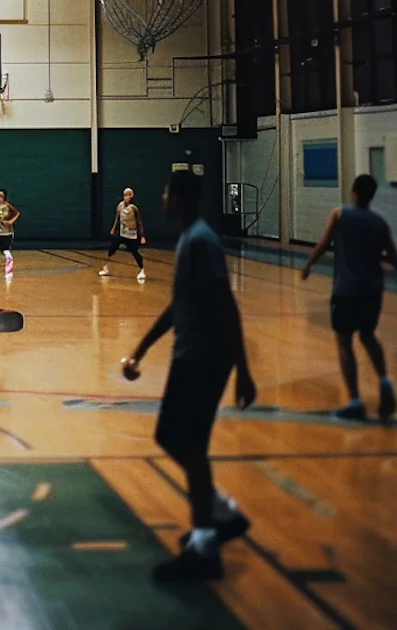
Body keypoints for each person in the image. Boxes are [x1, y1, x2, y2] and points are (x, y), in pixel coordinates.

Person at [122, 169, 255, 582]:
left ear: (177, 198)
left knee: (191, 445)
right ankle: (220, 515)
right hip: (191, 354)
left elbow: (226, 305)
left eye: (165, 191)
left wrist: (244, 369)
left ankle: (205, 545)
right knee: (172, 437)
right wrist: (141, 349)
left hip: (204, 358)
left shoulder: (200, 241)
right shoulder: (190, 240)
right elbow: (178, 306)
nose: (161, 197)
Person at [300, 174, 397, 424]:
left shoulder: (339, 214)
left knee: (344, 343)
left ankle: (355, 401)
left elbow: (323, 244)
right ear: (372, 196)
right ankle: (385, 381)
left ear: (353, 192)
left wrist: (308, 265)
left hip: (346, 290)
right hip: (372, 291)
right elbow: (393, 258)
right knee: (367, 336)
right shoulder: (380, 224)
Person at [100, 187, 148, 281]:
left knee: (135, 252)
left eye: (128, 195)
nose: (126, 197)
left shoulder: (134, 208)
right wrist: (114, 229)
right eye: (124, 195)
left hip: (132, 234)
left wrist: (142, 236)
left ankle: (142, 270)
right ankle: (106, 268)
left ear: (131, 196)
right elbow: (117, 219)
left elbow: (139, 222)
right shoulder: (120, 206)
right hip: (122, 233)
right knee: (111, 249)